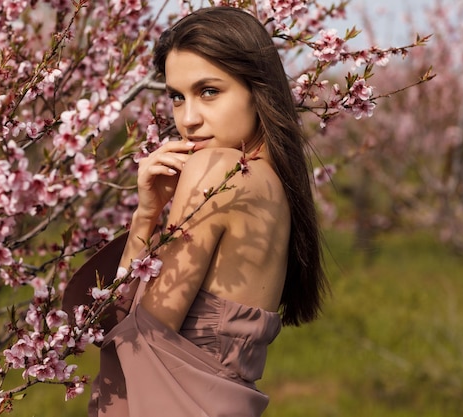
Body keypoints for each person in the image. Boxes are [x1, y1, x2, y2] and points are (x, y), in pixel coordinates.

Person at [86, 6, 328, 416]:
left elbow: (140, 329)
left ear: (257, 88)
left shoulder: (218, 169)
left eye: (209, 91)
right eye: (177, 98)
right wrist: (149, 211)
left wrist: (144, 222)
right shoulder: (274, 184)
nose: (189, 119)